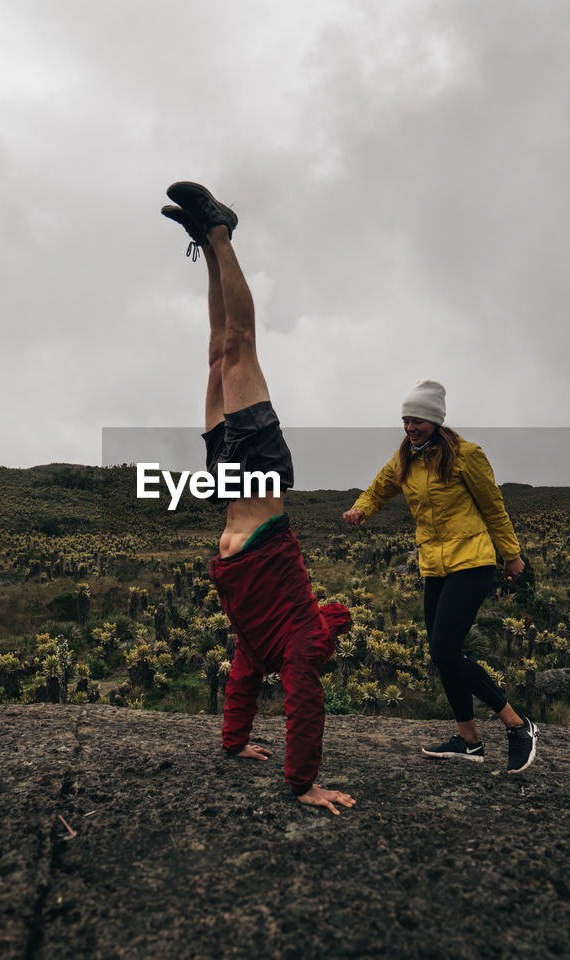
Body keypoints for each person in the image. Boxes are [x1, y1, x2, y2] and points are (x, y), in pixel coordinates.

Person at [161, 181, 356, 815]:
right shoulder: (297, 640)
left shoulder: (260, 640)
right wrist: (305, 785)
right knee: (242, 347)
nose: (309, 666)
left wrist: (235, 742)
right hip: (262, 477)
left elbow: (242, 680)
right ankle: (221, 234)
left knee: (217, 358)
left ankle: (208, 242)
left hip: (229, 485)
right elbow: (306, 708)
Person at [342, 381, 538, 772]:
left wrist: (512, 556)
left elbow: (494, 508)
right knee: (442, 653)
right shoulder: (407, 458)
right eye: (405, 420)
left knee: (445, 650)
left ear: (433, 419)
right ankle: (468, 740)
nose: (409, 428)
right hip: (435, 566)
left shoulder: (467, 455)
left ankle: (518, 726)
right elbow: (380, 487)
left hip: (472, 562)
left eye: (415, 420)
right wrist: (362, 508)